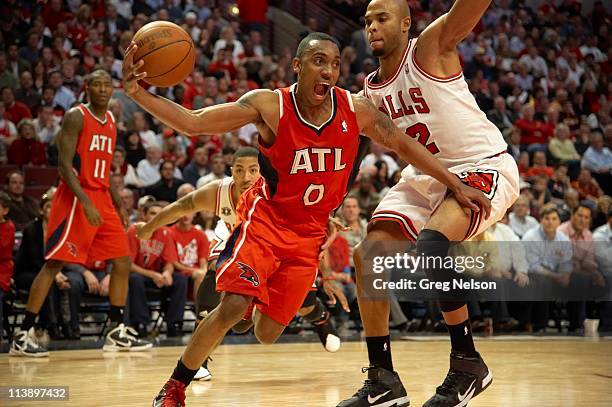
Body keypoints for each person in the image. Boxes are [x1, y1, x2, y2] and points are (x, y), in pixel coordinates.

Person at [122, 31, 489, 405]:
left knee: (266, 333)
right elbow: (195, 122)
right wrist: (138, 94)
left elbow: (404, 144)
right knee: (232, 307)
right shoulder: (270, 106)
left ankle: (258, 296)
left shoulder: (355, 109)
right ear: (297, 66)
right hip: (266, 222)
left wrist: (454, 183)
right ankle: (174, 388)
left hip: (308, 235)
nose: (328, 71)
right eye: (318, 61)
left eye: (334, 64)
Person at [340, 1, 520, 406]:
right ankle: (383, 378)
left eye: (381, 17)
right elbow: (349, 153)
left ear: (406, 23)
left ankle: (467, 361)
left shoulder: (430, 48)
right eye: (367, 21)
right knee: (369, 254)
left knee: (432, 245)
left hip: (480, 165)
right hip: (426, 177)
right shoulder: (368, 92)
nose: (371, 26)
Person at [9, 70, 151, 357]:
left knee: (122, 260)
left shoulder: (111, 120)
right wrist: (85, 200)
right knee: (54, 264)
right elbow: (63, 166)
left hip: (101, 197)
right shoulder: (77, 116)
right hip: (75, 197)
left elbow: (107, 166)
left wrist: (118, 202)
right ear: (86, 87)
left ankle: (115, 329)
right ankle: (22, 334)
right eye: (96, 84)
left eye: (106, 85)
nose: (102, 89)